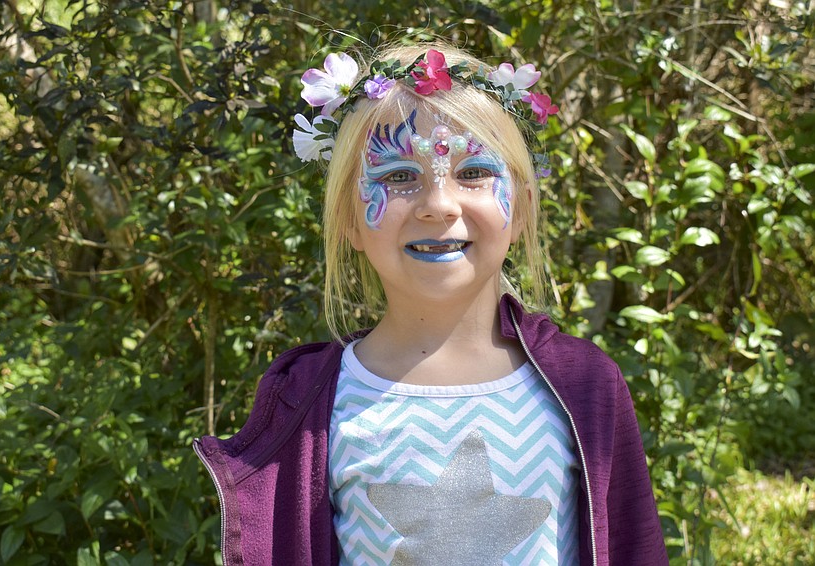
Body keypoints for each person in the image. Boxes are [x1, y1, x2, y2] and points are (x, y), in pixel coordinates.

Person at [194, 42, 668, 566]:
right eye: (398, 176)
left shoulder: (587, 387)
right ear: (350, 218)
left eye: (473, 173)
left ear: (524, 207)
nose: (439, 205)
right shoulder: (312, 406)